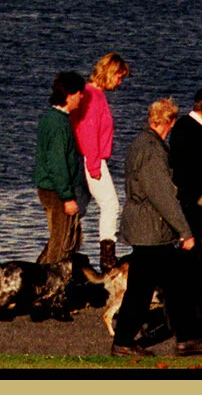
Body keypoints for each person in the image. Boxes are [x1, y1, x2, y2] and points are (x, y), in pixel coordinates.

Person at [112, 98, 202, 357]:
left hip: (144, 228)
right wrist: (185, 232)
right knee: (161, 287)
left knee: (153, 287)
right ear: (169, 122)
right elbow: (163, 197)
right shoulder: (153, 151)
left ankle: (131, 340)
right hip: (151, 231)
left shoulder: (139, 144)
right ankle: (181, 339)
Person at [71, 52, 131, 273]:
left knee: (80, 207)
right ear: (109, 72)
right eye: (119, 77)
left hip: (86, 158)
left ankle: (67, 249)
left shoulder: (91, 94)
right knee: (110, 204)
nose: (119, 82)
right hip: (91, 158)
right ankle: (107, 260)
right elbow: (88, 133)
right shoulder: (92, 95)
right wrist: (94, 166)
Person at [168, 85, 202, 287]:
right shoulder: (200, 133)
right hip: (197, 197)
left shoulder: (181, 124)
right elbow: (201, 168)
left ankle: (183, 286)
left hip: (180, 193)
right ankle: (191, 290)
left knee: (187, 243)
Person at [33, 70, 89, 264]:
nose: (82, 97)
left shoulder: (53, 118)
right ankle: (48, 283)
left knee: (58, 239)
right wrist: (67, 197)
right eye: (80, 93)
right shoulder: (58, 124)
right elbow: (58, 163)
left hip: (50, 188)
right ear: (70, 94)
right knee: (62, 242)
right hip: (56, 191)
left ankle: (37, 277)